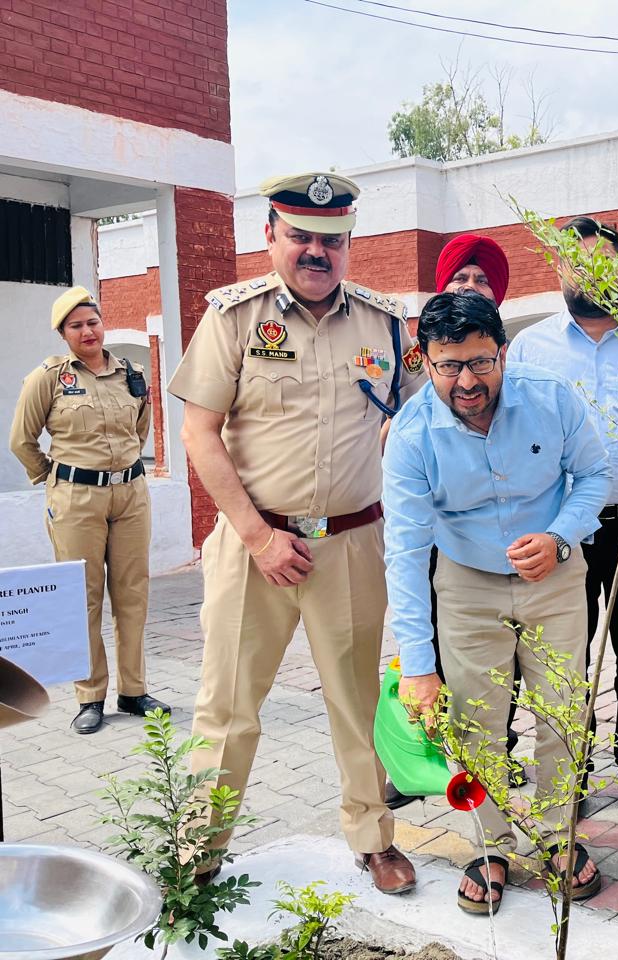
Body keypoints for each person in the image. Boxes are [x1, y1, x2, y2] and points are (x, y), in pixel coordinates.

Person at [168, 172, 425, 894]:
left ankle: (373, 838)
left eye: (332, 240)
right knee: (227, 707)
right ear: (271, 236)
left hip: (351, 545)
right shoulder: (234, 318)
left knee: (355, 702)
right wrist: (258, 538)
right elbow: (198, 433)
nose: (317, 251)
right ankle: (197, 854)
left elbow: (420, 422)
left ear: (349, 243)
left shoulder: (386, 324)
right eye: (301, 236)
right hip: (255, 545)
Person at [384, 291, 611, 914]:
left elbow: (595, 474)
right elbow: (404, 551)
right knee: (474, 721)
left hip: (553, 575)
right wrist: (419, 664)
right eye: (449, 366)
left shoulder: (551, 398)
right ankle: (491, 846)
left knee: (562, 711)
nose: (467, 382)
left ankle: (559, 833)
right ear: (425, 362)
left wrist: (560, 537)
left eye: (481, 362)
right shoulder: (410, 434)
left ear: (503, 353)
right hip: (466, 584)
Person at [507, 216, 618, 822]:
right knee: (563, 654)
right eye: (578, 261)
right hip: (564, 529)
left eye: (603, 261)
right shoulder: (531, 347)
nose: (589, 272)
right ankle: (568, 767)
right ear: (559, 268)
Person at [384, 231, 522, 811]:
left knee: (498, 655)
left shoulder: (508, 364)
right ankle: (423, 754)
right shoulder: (418, 354)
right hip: (431, 525)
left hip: (499, 541)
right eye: (461, 278)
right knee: (432, 645)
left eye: (482, 280)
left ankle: (495, 750)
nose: (471, 287)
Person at [9, 287, 169, 734]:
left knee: (133, 594)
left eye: (92, 322)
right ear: (63, 334)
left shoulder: (131, 373)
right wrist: (55, 477)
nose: (87, 331)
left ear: (103, 324)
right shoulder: (48, 378)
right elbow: (22, 440)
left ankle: (134, 691)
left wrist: (122, 468)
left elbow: (140, 429)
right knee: (84, 598)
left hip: (130, 494)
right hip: (76, 499)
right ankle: (90, 696)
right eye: (76, 326)